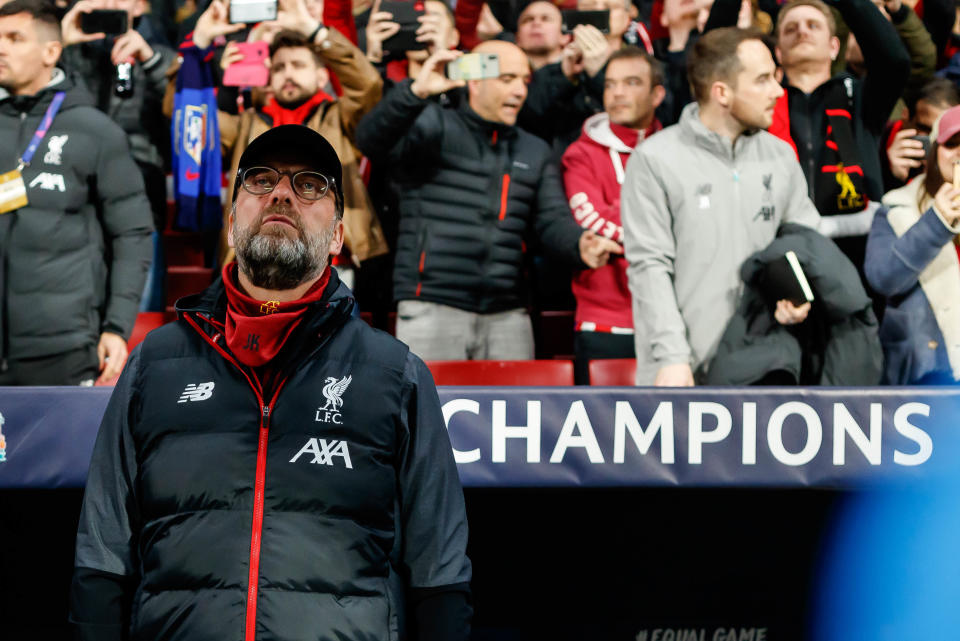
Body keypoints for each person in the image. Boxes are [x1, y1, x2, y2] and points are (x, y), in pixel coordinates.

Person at [70, 125, 473, 640]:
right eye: (260, 180)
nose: (281, 192)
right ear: (232, 220)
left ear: (338, 238)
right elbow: (102, 552)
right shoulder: (155, 363)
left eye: (310, 185)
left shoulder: (395, 374)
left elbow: (439, 568)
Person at [356, 40, 622, 361]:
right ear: (475, 81)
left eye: (524, 81)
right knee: (428, 410)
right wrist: (415, 92)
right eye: (507, 79)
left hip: (508, 314)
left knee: (514, 412)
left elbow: (552, 220)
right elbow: (369, 139)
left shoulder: (534, 150)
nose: (520, 91)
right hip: (432, 304)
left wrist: (580, 244)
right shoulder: (431, 124)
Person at [622, 27, 822, 386]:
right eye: (763, 80)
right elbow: (649, 267)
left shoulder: (780, 156)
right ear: (721, 93)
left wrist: (795, 291)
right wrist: (671, 356)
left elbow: (804, 242)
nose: (778, 91)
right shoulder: (654, 159)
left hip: (764, 367)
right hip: (683, 370)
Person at [0, 0, 153, 386]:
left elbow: (131, 233)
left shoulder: (95, 130)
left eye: (15, 38)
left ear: (53, 51)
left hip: (61, 348)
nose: (1, 48)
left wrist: (117, 327)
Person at [181, 0, 388, 275]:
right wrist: (199, 43)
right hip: (256, 259)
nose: (288, 74)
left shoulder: (340, 117)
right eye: (279, 68)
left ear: (321, 75)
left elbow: (368, 85)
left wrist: (314, 32)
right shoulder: (247, 123)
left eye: (298, 65)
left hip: (330, 260)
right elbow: (187, 116)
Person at [769, 0, 910, 266]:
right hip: (782, 249)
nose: (802, 31)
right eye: (791, 29)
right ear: (778, 52)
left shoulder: (859, 97)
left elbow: (894, 61)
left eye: (813, 25)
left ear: (834, 47)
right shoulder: (763, 104)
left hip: (860, 252)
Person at [562, 46, 665, 383]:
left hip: (670, 319)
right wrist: (660, 230)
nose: (617, 92)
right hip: (604, 320)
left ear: (657, 94)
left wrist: (617, 209)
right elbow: (591, 219)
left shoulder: (677, 148)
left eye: (632, 82)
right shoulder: (581, 152)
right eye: (610, 84)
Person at [58, 0, 175, 231]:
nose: (109, 2)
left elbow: (184, 108)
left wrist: (149, 59)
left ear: (140, 7)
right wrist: (60, 43)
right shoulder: (68, 53)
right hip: (75, 169)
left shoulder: (158, 55)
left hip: (139, 171)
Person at [865, 105, 960, 384]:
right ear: (933, 151)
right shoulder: (897, 207)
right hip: (928, 369)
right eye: (951, 144)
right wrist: (937, 222)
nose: (959, 153)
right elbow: (882, 277)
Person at [884, 77, 959, 191]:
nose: (935, 140)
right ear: (905, 117)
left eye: (950, 140)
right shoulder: (878, 140)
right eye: (926, 129)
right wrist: (890, 173)